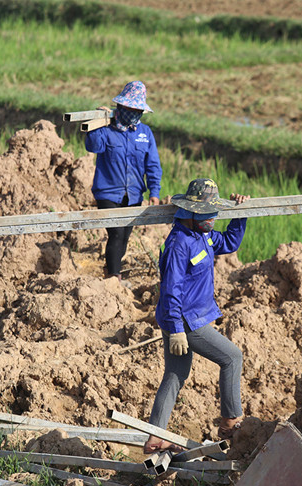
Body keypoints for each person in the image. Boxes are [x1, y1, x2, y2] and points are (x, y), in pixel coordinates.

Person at [144, 178, 250, 453]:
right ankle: (230, 423)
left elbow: (228, 243)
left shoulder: (203, 234)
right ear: (190, 212)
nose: (213, 218)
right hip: (186, 322)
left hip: (186, 319)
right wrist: (177, 329)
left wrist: (240, 214)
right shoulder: (179, 244)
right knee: (232, 357)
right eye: (207, 213)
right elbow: (170, 290)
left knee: (175, 374)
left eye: (215, 212)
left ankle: (155, 435)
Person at [85, 80, 162, 281]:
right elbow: (93, 146)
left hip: (134, 194)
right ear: (121, 106)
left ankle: (110, 270)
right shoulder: (107, 129)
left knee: (125, 236)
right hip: (108, 193)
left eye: (138, 109)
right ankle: (114, 277)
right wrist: (97, 121)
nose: (134, 112)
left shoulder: (145, 134)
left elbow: (153, 165)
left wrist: (154, 192)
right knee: (117, 233)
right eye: (131, 107)